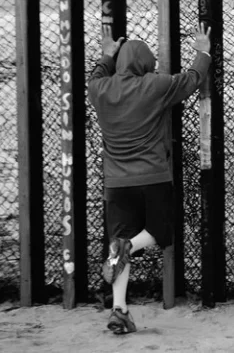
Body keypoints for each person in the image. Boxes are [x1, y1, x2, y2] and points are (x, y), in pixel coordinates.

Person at [87, 21, 211, 334]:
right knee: (159, 231)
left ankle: (119, 310)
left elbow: (97, 74)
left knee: (118, 244)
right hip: (153, 176)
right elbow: (192, 80)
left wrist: (107, 55)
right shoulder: (153, 86)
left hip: (116, 183)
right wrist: (203, 53)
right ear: (144, 64)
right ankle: (128, 246)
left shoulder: (99, 90)